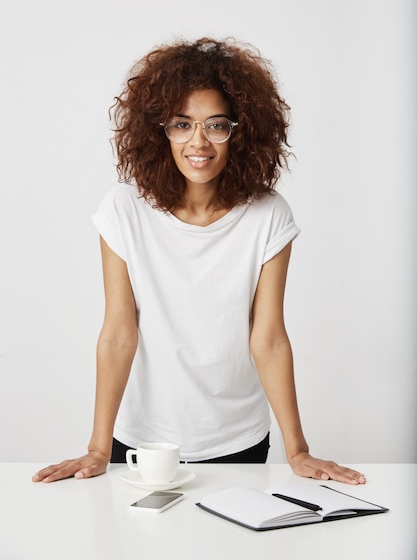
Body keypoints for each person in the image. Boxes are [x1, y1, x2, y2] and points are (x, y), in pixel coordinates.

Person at [33, 37, 366, 485]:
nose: (199, 141)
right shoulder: (123, 210)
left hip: (238, 440)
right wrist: (97, 447)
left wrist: (298, 451)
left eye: (216, 125)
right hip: (142, 441)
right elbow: (118, 331)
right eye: (181, 124)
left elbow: (267, 338)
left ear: (240, 131)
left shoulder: (268, 215)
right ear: (160, 130)